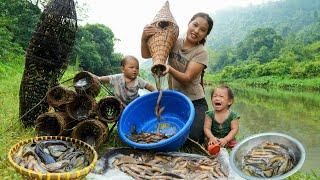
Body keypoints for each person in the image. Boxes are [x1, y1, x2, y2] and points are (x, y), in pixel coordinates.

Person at [141, 12, 214, 143]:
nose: (196, 31)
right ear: (189, 23)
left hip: (195, 101)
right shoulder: (174, 41)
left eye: (202, 30)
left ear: (206, 34)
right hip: (175, 98)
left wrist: (169, 69)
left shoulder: (201, 52)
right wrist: (143, 38)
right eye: (195, 25)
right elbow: (146, 55)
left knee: (194, 138)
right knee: (162, 130)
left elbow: (187, 78)